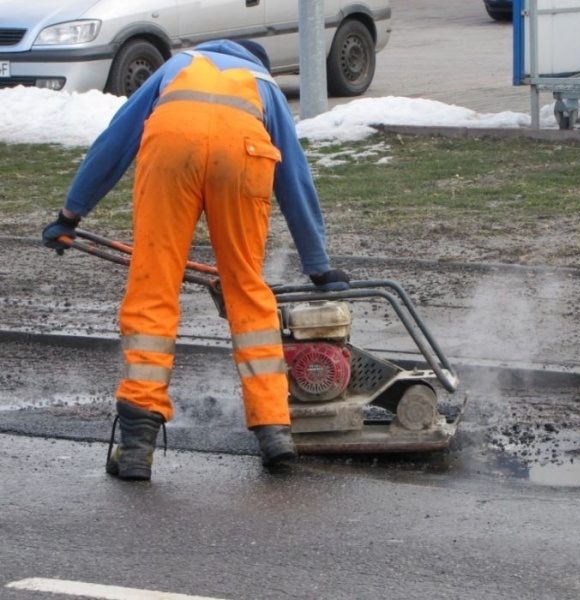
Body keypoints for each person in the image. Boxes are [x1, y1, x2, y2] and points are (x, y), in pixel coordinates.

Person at [42, 39, 350, 481]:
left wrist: (69, 215)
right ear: (255, 61)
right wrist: (318, 264)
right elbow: (294, 176)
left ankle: (136, 444)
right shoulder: (263, 84)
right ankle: (274, 430)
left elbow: (115, 142)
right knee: (245, 286)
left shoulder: (177, 66)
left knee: (155, 283)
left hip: (171, 145)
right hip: (244, 153)